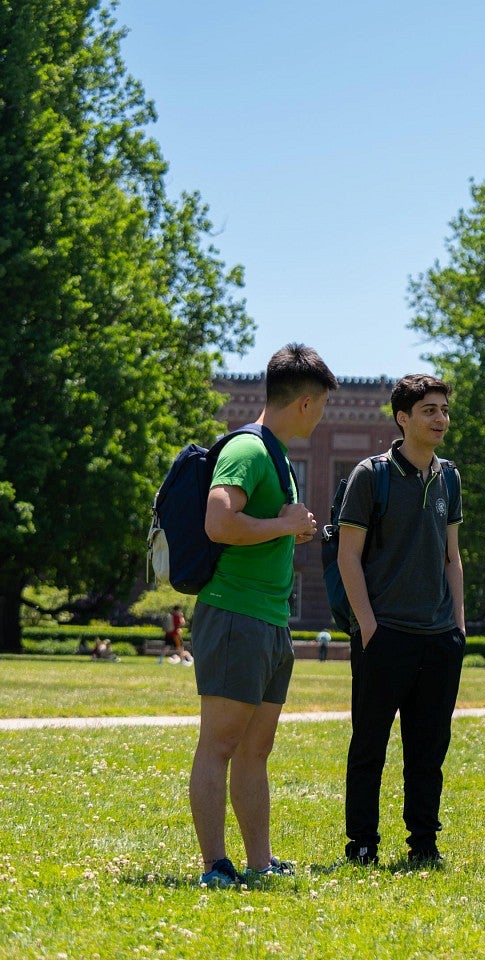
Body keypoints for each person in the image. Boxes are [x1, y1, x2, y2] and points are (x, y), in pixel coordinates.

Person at [189, 344, 337, 889]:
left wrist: (289, 524)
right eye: (320, 405)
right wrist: (283, 525)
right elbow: (218, 523)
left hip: (271, 620)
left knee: (256, 749)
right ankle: (214, 865)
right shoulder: (250, 450)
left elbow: (264, 521)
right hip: (235, 614)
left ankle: (258, 861)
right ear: (304, 402)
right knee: (220, 744)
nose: (320, 416)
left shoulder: (275, 456)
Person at [338, 374, 465, 868]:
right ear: (403, 419)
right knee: (369, 745)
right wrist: (368, 626)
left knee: (428, 751)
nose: (440, 419)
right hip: (384, 634)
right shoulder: (371, 476)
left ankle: (424, 842)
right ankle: (362, 843)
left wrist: (456, 624)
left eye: (443, 410)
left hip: (438, 638)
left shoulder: (449, 477)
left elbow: (453, 558)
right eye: (429, 410)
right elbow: (349, 556)